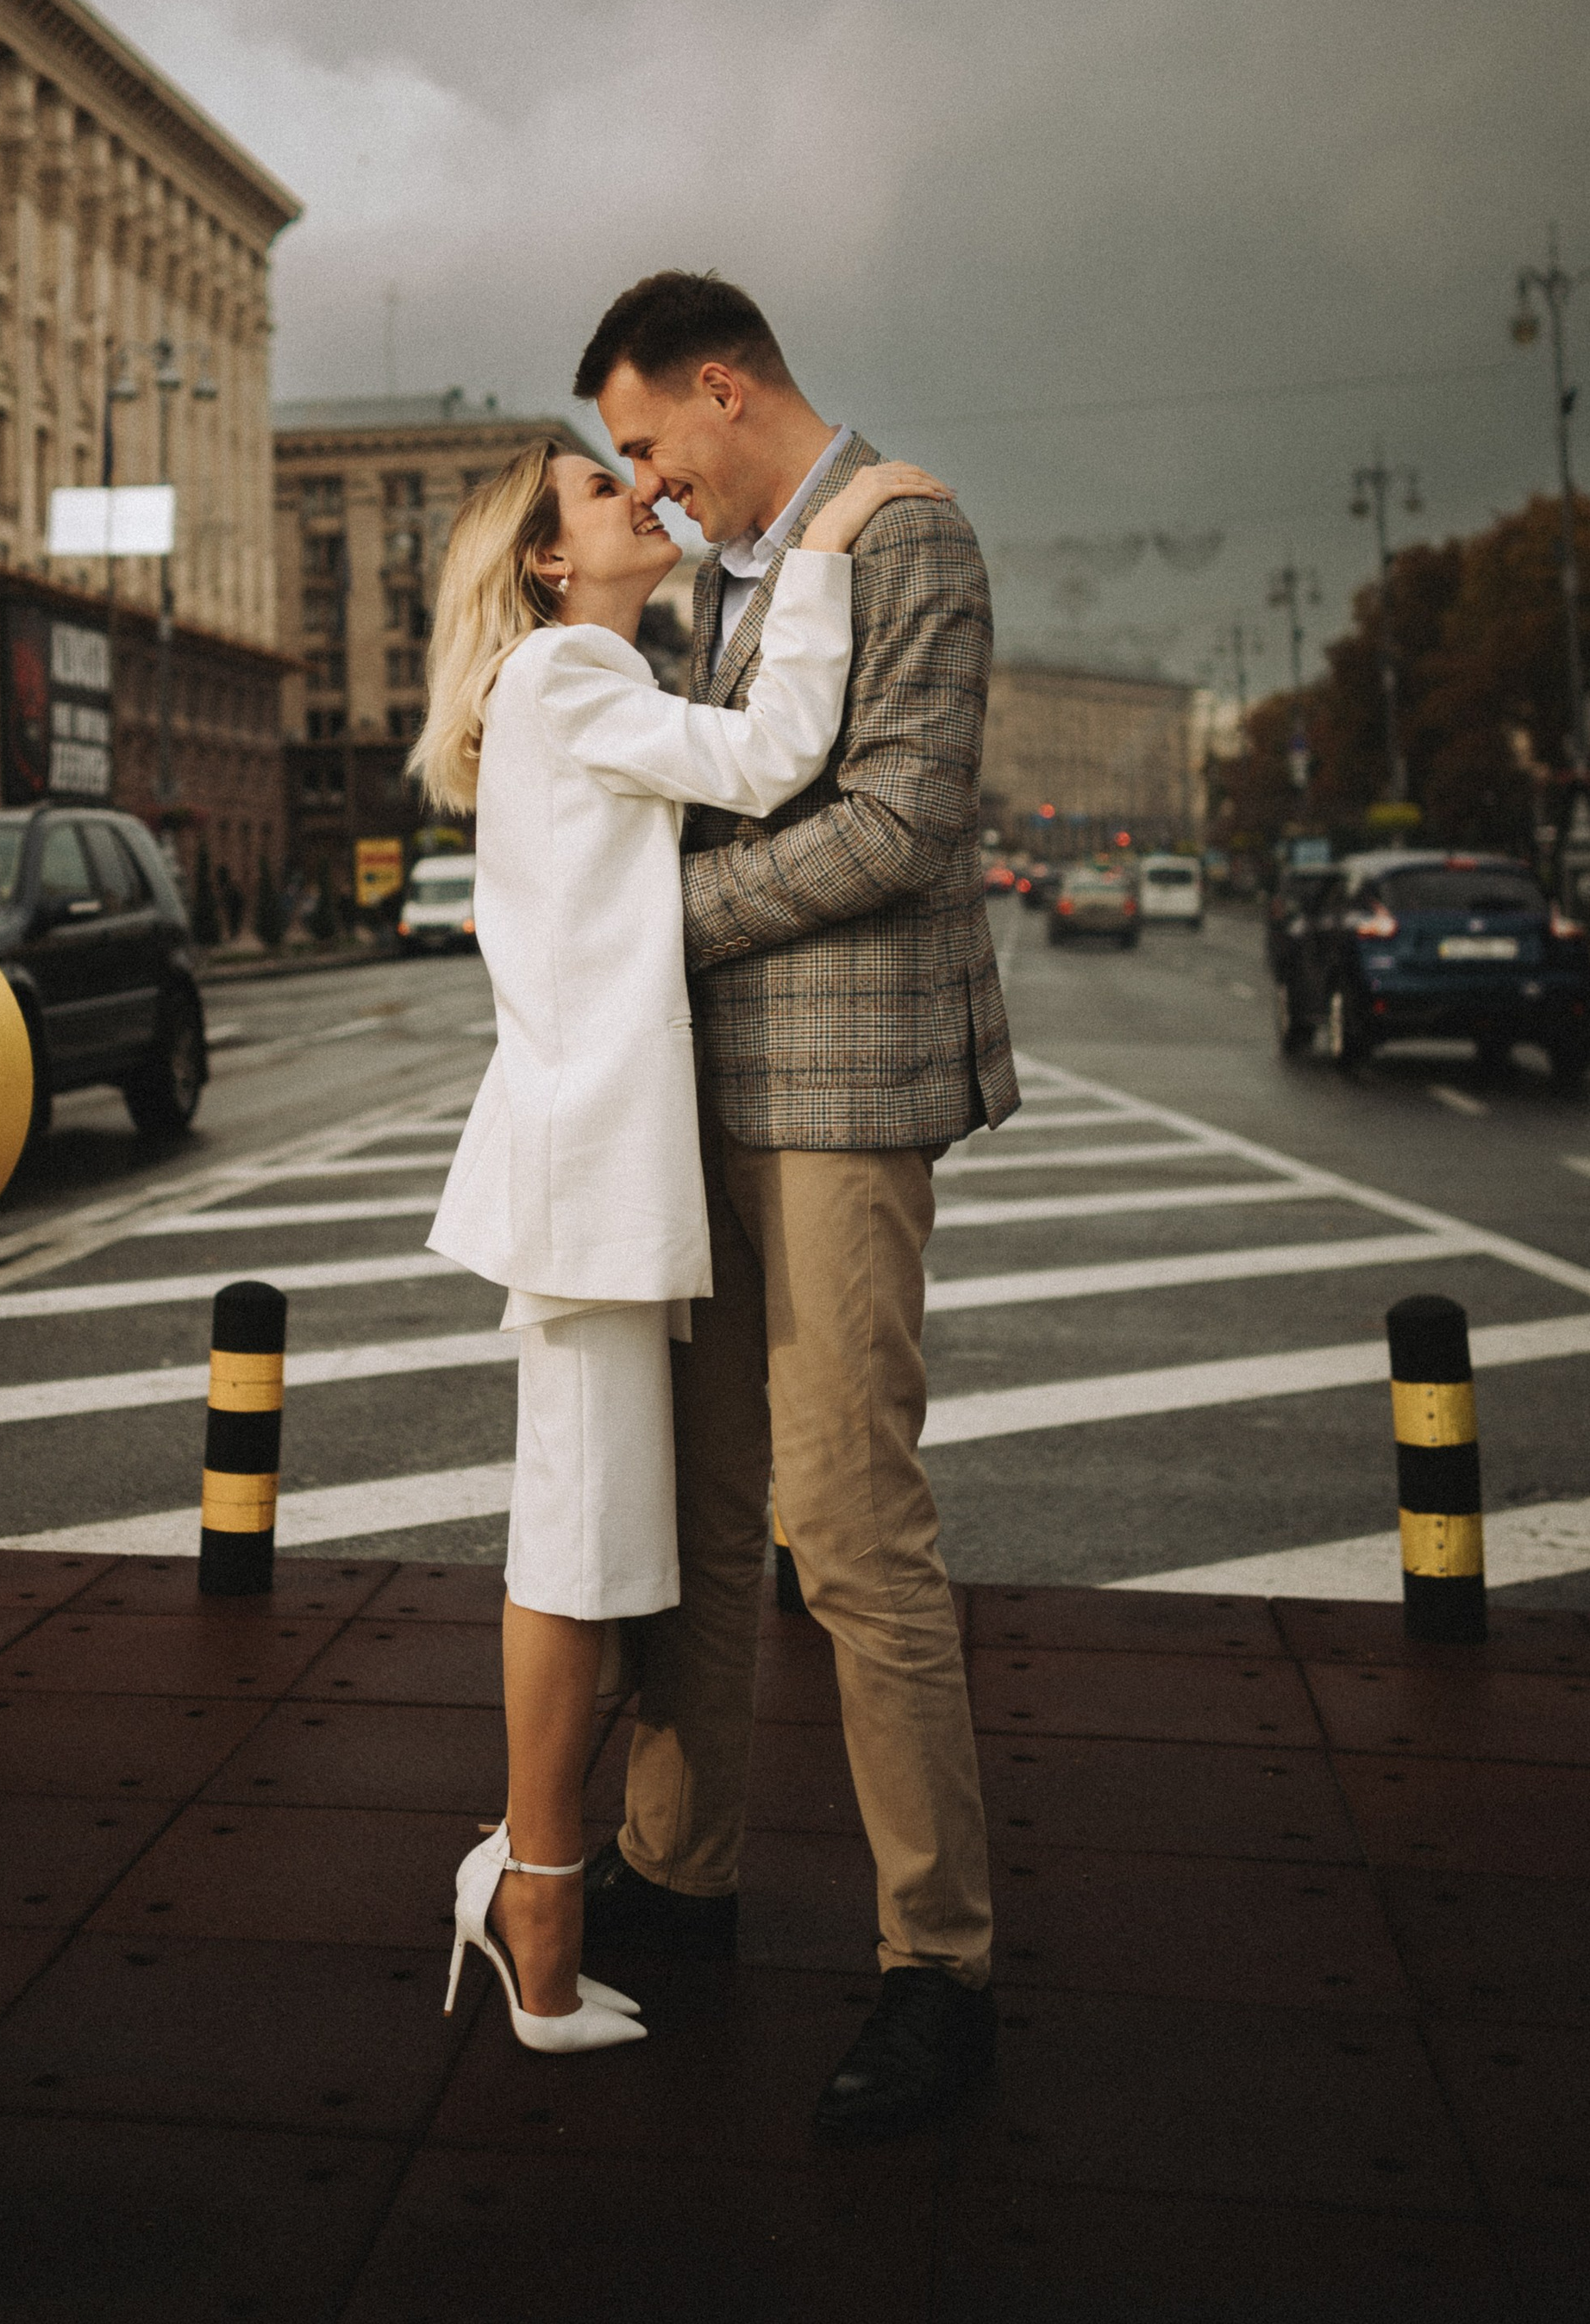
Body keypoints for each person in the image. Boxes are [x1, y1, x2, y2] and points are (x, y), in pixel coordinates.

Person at [573, 269, 1018, 2146]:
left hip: (840, 1103)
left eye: (652, 442)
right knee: (696, 1510)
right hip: (699, 1111)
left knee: (847, 1530)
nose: (649, 483)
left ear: (724, 383)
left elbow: (899, 826)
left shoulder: (898, 529)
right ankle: (677, 1882)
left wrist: (649, 925)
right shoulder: (710, 588)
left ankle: (937, 1965)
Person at [415, 437, 928, 2053]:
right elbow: (780, 754)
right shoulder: (569, 669)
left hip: (601, 1171)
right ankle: (539, 1897)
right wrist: (834, 540)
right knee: (575, 1550)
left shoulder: (573, 671)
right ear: (550, 562)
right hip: (589, 1178)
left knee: (610, 1542)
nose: (637, 496)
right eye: (595, 489)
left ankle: (537, 1872)